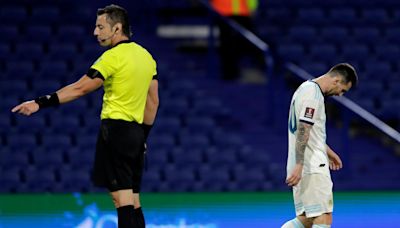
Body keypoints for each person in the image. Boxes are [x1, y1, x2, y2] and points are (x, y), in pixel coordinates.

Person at [11, 4, 159, 228]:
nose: (95, 32)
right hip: (136, 134)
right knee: (134, 199)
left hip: (116, 131)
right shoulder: (147, 57)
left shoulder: (112, 57)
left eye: (100, 27)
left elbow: (81, 88)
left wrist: (40, 103)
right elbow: (153, 101)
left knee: (122, 199)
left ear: (117, 28)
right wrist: (143, 135)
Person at [282, 63, 358, 228]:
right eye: (343, 90)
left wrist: (328, 151)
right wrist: (300, 164)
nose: (340, 95)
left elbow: (309, 131)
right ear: (336, 80)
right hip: (311, 166)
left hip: (305, 163)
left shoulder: (304, 88)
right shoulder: (313, 95)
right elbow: (303, 129)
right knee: (323, 218)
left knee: (306, 220)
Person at [210, 0, 264, 81]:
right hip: (223, 12)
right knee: (227, 44)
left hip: (242, 11)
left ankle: (261, 68)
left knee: (249, 41)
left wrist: (252, 7)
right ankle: (229, 73)